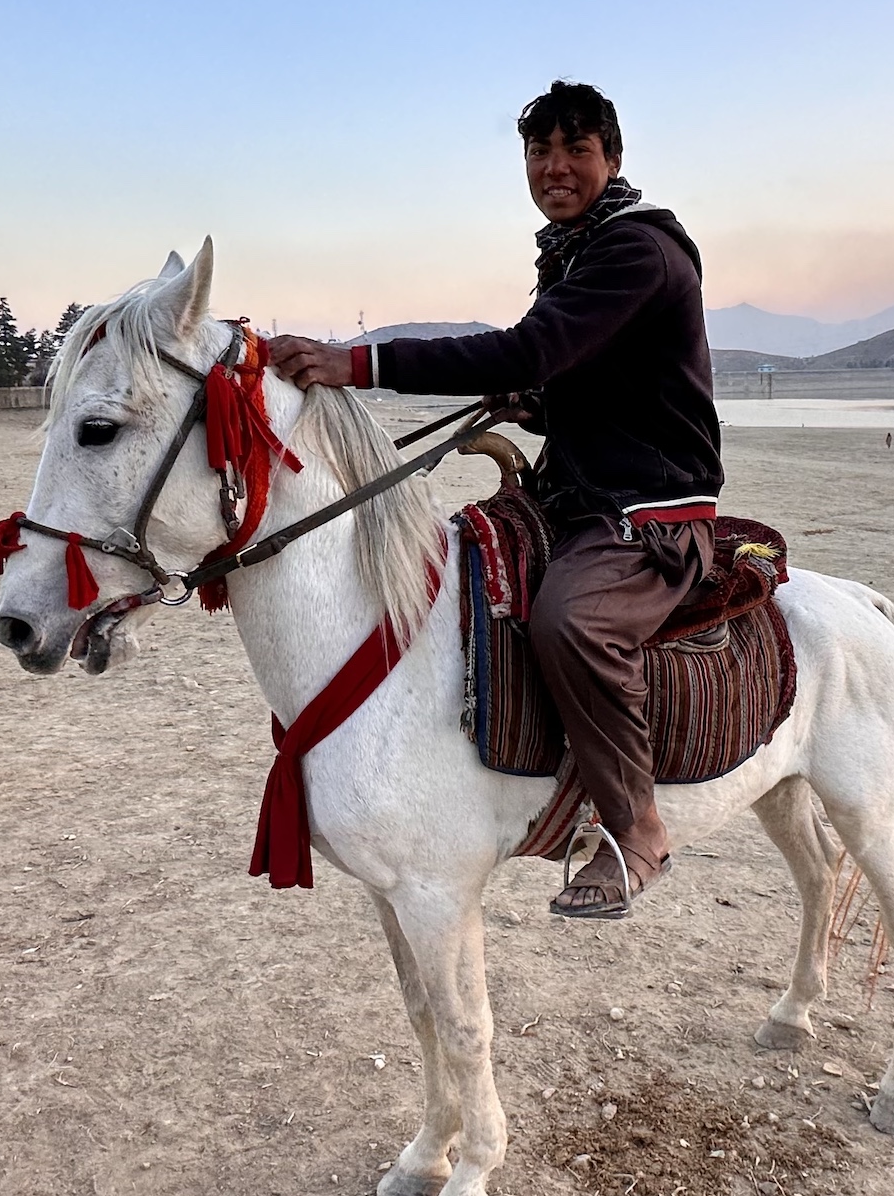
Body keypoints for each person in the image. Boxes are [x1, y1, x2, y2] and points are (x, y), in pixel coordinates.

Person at [270, 82, 718, 921]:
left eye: (575, 151)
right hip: (580, 488)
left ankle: (636, 827)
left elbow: (532, 347)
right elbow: (584, 377)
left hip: (653, 504)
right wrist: (538, 406)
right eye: (540, 152)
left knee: (568, 620)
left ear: (611, 160)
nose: (555, 168)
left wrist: (354, 363)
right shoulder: (574, 252)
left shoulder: (636, 251)